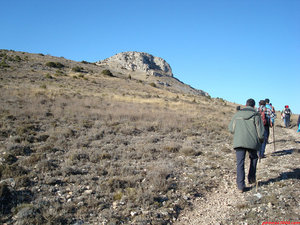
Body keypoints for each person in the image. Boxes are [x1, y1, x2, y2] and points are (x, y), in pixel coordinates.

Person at [228, 99, 265, 193]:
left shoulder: (237, 114)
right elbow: (260, 133)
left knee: (240, 163)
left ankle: (240, 186)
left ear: (245, 105)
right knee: (254, 158)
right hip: (252, 142)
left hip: (239, 142)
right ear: (254, 106)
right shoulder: (257, 115)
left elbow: (231, 129)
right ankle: (251, 179)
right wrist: (261, 141)